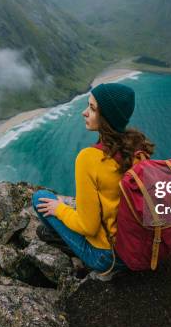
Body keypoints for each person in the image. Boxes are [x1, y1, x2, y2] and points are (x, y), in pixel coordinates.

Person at [32, 82, 155, 273]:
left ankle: (67, 243)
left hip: (108, 257)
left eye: (92, 108)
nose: (84, 112)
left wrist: (59, 210)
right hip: (141, 249)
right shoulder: (138, 150)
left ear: (106, 117)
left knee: (39, 198)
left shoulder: (88, 158)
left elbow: (88, 227)